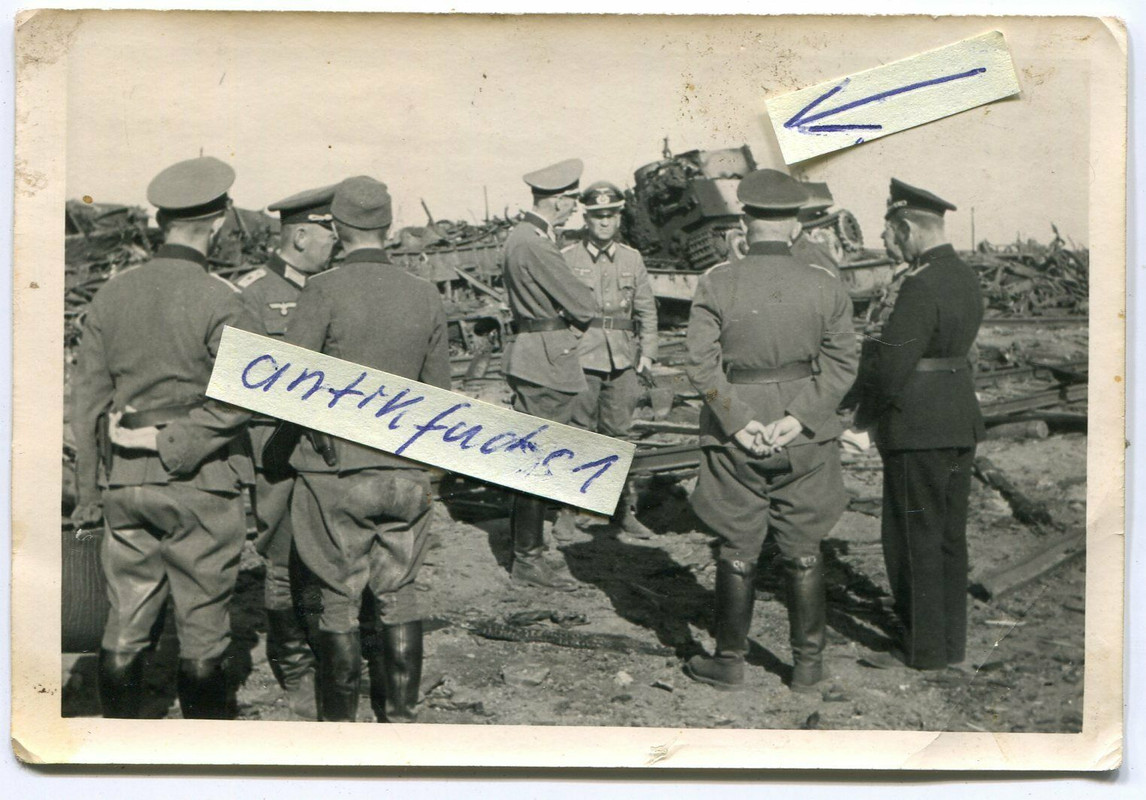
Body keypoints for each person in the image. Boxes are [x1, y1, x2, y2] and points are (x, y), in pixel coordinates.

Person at [69, 156, 260, 718]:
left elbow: (86, 407)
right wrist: (174, 443)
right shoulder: (224, 298)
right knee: (203, 631)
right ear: (220, 221)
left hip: (125, 483)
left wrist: (87, 494)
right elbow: (244, 395)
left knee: (124, 623)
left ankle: (121, 756)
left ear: (161, 223)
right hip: (200, 481)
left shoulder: (111, 294)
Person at [683, 169, 857, 693]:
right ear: (798, 225)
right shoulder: (826, 284)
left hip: (737, 427)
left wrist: (737, 423)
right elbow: (844, 363)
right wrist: (798, 419)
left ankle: (729, 661)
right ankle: (808, 666)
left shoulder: (716, 281)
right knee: (803, 541)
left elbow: (698, 364)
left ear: (744, 221)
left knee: (737, 540)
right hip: (804, 430)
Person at [284, 175, 450, 722]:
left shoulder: (322, 290)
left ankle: (341, 732)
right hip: (405, 475)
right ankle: (400, 721)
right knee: (400, 592)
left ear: (335, 227)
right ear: (388, 225)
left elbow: (291, 386)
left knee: (338, 598)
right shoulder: (425, 293)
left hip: (337, 477)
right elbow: (438, 397)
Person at [854, 179, 984, 672]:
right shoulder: (965, 277)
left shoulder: (919, 283)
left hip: (916, 428)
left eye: (891, 234)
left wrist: (865, 418)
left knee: (913, 539)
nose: (890, 245)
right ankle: (951, 645)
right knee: (950, 536)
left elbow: (892, 367)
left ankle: (922, 649)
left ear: (906, 227)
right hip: (958, 420)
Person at [236, 184, 339, 719]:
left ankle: (329, 656)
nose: (335, 244)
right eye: (328, 233)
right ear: (301, 235)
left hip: (324, 447)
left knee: (325, 557)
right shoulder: (252, 295)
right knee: (280, 560)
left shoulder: (328, 289)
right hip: (273, 444)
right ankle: (295, 668)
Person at [501, 158, 598, 591]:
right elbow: (584, 304)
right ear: (557, 201)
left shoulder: (523, 236)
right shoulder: (536, 243)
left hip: (535, 354)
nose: (574, 210)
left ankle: (530, 554)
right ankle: (528, 560)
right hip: (545, 359)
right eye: (572, 202)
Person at [554, 180, 659, 540]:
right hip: (582, 357)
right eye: (598, 216)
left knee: (619, 436)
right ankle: (568, 511)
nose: (604, 223)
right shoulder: (568, 258)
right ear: (587, 218)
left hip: (623, 360)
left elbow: (647, 309)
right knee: (577, 433)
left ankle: (621, 511)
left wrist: (648, 354)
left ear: (619, 217)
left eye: (611, 216)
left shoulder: (632, 258)